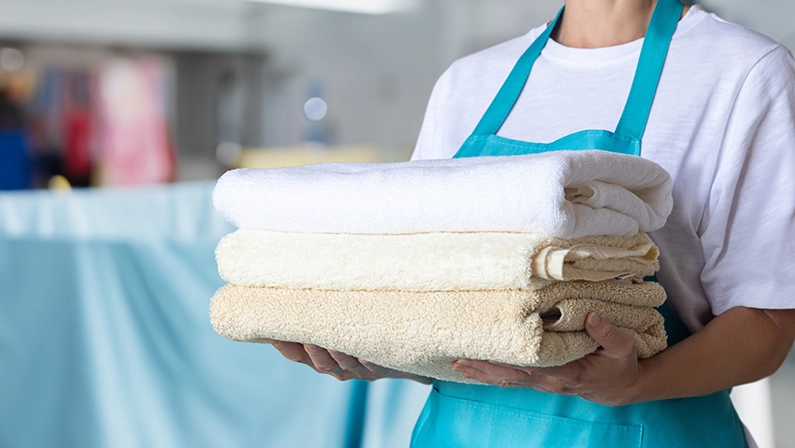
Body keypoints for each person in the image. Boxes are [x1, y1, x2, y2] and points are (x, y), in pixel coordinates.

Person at [269, 0, 795, 445]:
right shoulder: (469, 82)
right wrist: (375, 350)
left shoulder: (744, 72)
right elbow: (432, 298)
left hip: (640, 427)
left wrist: (633, 382)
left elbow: (769, 322)